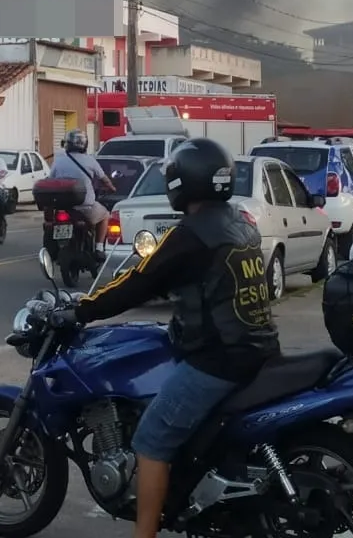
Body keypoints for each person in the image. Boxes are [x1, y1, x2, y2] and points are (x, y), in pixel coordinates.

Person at [52, 137, 280, 538]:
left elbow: (138, 282)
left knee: (152, 440)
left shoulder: (191, 234)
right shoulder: (240, 221)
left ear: (185, 182)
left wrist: (82, 309)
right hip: (257, 347)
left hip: (218, 359)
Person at [47, 129, 115, 260]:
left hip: (62, 206)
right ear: (85, 144)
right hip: (85, 207)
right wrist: (112, 188)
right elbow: (104, 179)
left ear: (67, 143)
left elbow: (51, 180)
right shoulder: (90, 161)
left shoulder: (59, 161)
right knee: (105, 215)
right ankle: (99, 247)